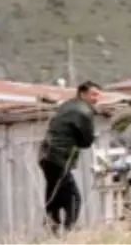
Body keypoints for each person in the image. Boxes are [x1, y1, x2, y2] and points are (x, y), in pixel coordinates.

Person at [38, 81, 102, 233]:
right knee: (73, 198)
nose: (96, 99)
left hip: (46, 156)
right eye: (93, 94)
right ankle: (69, 233)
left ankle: (51, 227)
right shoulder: (83, 111)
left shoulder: (67, 105)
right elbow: (87, 141)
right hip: (59, 158)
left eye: (98, 95)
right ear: (82, 94)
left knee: (55, 195)